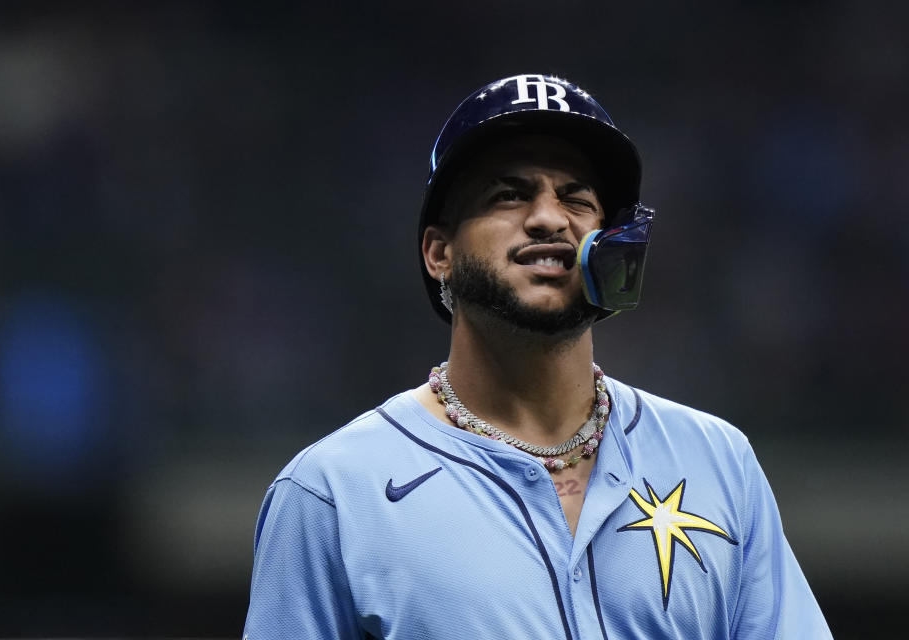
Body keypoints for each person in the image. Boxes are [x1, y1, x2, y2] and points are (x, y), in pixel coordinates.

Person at [243, 73, 832, 639]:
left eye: (577, 199)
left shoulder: (717, 460)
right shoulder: (334, 492)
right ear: (438, 252)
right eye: (509, 194)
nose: (550, 217)